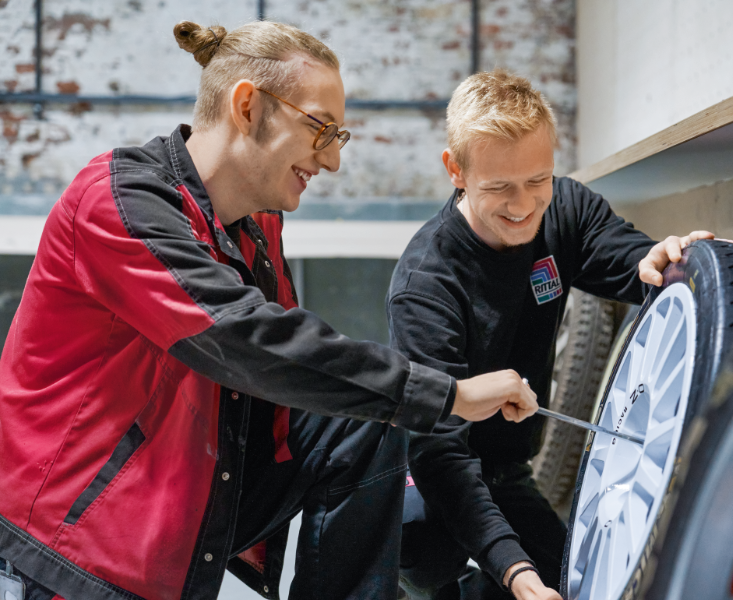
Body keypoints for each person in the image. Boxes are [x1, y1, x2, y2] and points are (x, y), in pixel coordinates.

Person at [0, 23, 539, 600]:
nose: (332, 159)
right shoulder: (119, 202)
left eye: (340, 136)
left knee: (363, 416)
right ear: (248, 106)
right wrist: (447, 395)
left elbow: (304, 380)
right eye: (320, 128)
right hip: (68, 554)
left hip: (175, 514)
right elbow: (244, 340)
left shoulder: (258, 225)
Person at [388, 70, 714, 600]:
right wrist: (514, 570)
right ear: (456, 170)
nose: (523, 206)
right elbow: (440, 453)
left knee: (573, 583)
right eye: (499, 188)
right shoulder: (425, 288)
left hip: (508, 465)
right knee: (426, 551)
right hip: (429, 470)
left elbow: (626, 258)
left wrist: (662, 260)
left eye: (537, 180)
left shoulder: (564, 209)